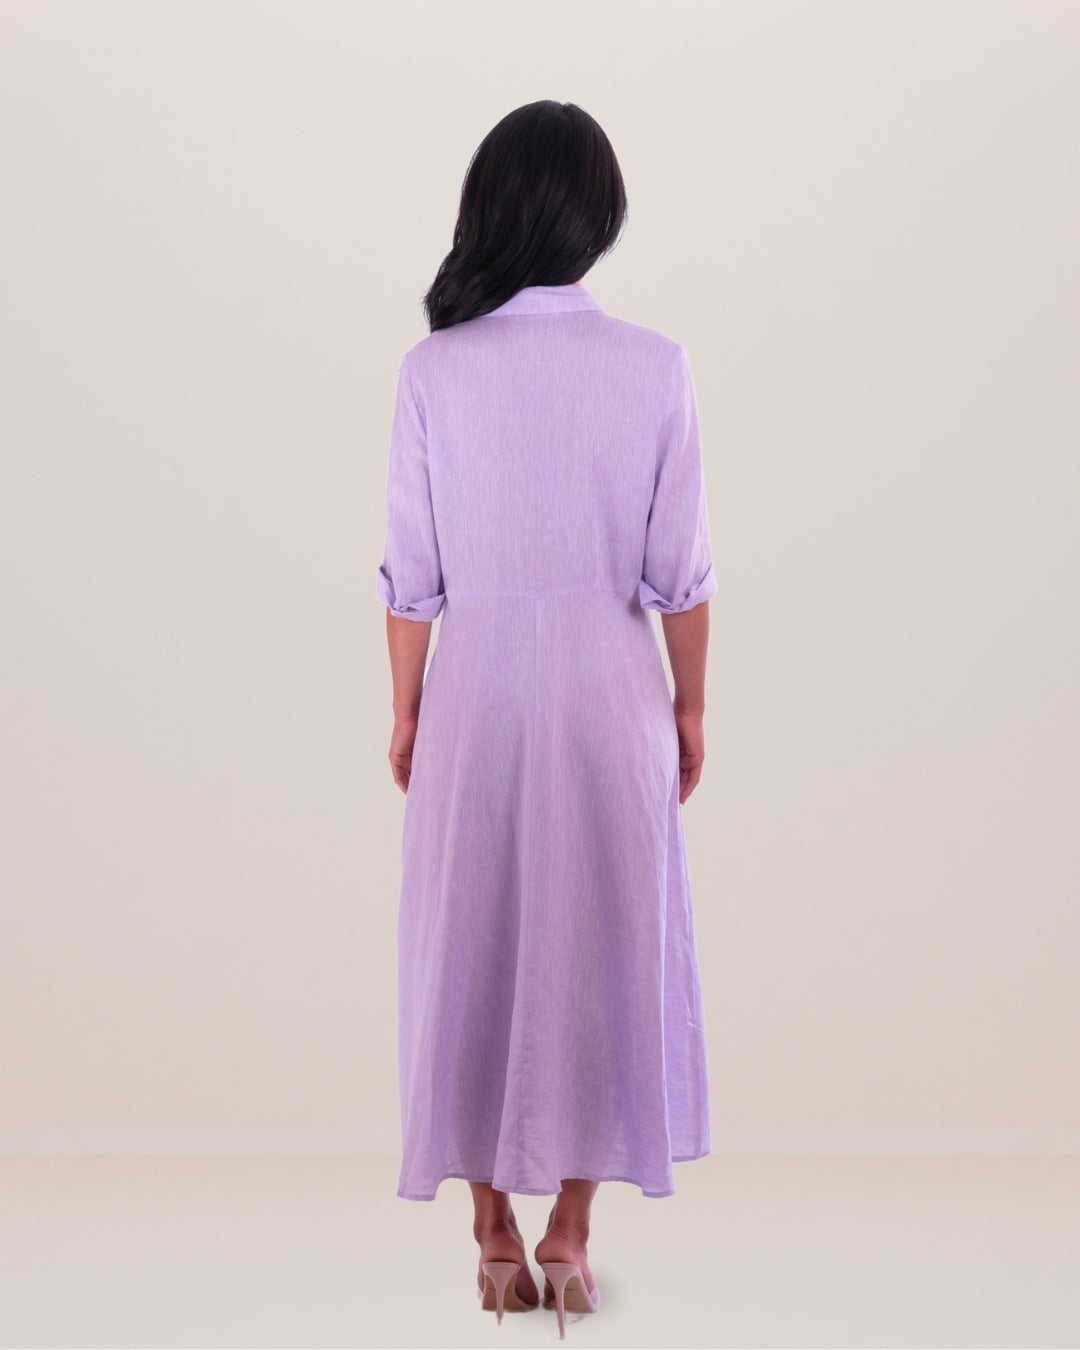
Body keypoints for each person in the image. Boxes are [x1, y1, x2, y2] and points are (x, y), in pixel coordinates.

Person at [376, 99, 715, 1339]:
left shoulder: (433, 370)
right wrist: (691, 707)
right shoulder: (655, 365)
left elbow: (412, 576)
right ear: (597, 215)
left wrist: (406, 712)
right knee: (605, 943)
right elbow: (681, 571)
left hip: (475, 689)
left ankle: (490, 1232)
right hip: (609, 690)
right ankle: (570, 1231)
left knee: (466, 941)